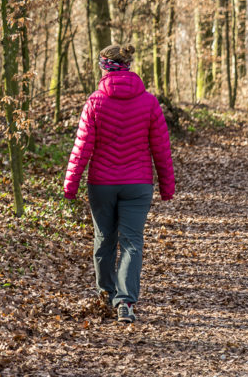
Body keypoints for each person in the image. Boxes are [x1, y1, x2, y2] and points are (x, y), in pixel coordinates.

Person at [63, 43, 175, 324]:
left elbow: (82, 149)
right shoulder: (149, 102)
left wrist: (71, 185)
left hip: (102, 183)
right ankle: (124, 302)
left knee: (104, 241)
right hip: (138, 184)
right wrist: (166, 186)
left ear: (104, 67)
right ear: (128, 67)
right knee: (132, 242)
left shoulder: (95, 102)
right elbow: (161, 147)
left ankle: (106, 294)